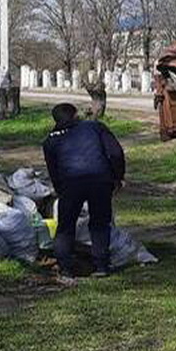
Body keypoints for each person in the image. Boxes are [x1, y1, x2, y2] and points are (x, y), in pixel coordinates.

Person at [42, 103, 125, 281]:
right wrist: (118, 177)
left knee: (65, 226)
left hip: (70, 184)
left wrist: (60, 190)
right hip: (100, 180)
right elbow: (116, 153)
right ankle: (101, 266)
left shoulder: (50, 140)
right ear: (74, 115)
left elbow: (53, 171)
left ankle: (65, 268)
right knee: (100, 223)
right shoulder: (94, 127)